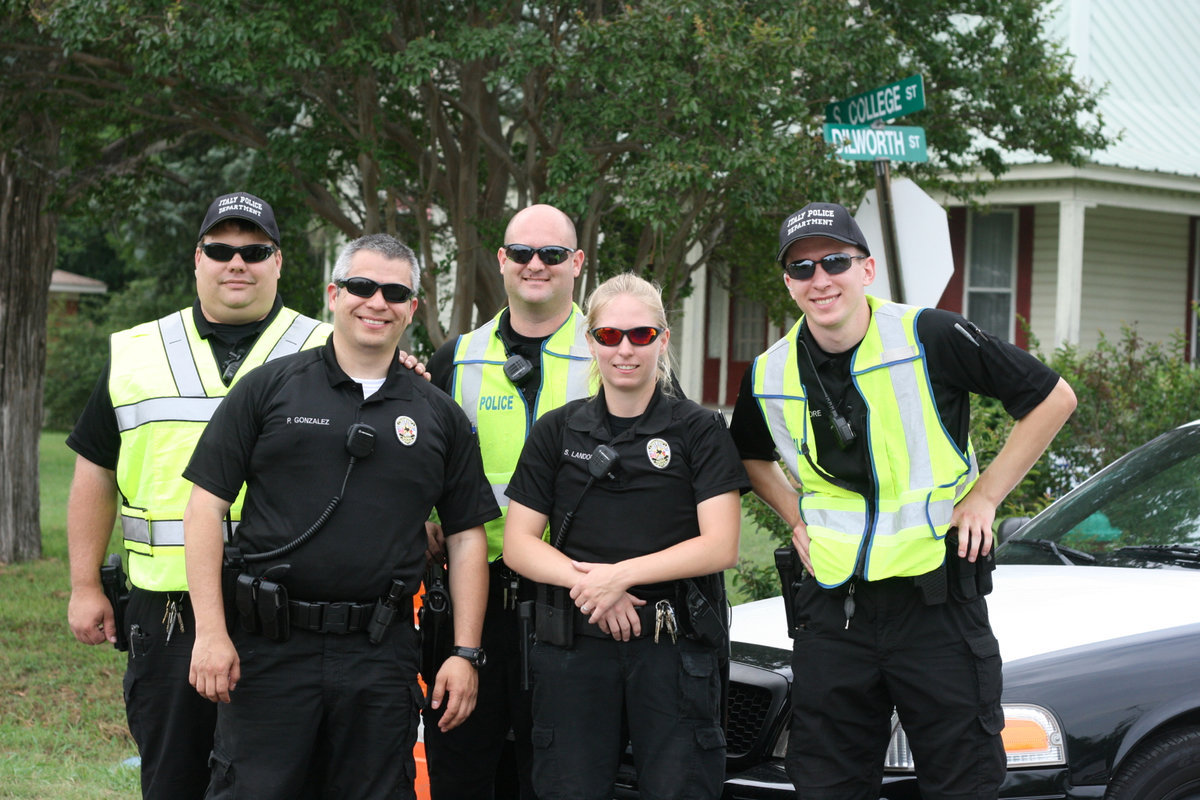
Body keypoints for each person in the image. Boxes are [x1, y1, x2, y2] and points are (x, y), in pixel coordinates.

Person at [728, 202, 1078, 799]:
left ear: (866, 269)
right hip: (835, 611)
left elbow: (1053, 398)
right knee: (827, 785)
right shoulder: (769, 372)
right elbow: (749, 457)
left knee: (962, 781)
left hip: (937, 603)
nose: (820, 279)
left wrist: (986, 496)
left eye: (834, 261)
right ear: (788, 284)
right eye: (802, 268)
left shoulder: (930, 335)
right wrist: (796, 517)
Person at [183, 233, 496, 799]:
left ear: (411, 309)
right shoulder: (269, 389)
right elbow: (205, 507)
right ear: (334, 293)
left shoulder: (439, 416)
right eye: (361, 286)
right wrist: (210, 633)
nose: (376, 302)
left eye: (394, 292)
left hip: (380, 655)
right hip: (270, 650)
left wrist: (465, 652)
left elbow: (467, 538)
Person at [65, 191, 331, 800]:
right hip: (168, 612)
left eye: (254, 250)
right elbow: (94, 472)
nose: (237, 263)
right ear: (197, 258)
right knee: (173, 780)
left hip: (292, 610)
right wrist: (83, 586)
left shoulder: (332, 348)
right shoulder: (135, 354)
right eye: (220, 249)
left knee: (282, 783)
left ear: (279, 262)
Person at [503, 273, 748, 800]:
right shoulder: (557, 430)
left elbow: (720, 544)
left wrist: (621, 577)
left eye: (640, 335)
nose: (624, 350)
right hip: (575, 646)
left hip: (673, 646)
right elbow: (518, 543)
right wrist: (593, 591)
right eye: (609, 336)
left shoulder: (699, 430)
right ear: (590, 342)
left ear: (662, 338)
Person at [421, 203, 593, 799]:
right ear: (501, 261)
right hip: (475, 595)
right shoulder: (456, 358)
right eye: (522, 253)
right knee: (463, 770)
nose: (535, 265)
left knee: (560, 777)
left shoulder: (613, 355)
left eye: (551, 254)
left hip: (578, 596)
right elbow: (420, 462)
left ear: (577, 263)